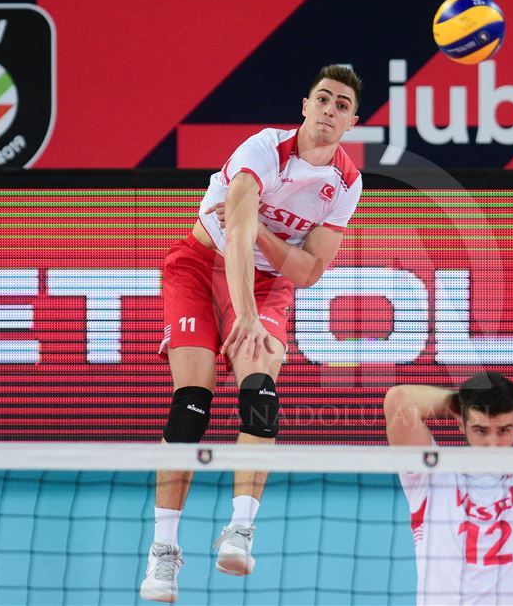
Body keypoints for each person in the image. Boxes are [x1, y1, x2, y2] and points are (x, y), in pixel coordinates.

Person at [140, 64, 363, 603]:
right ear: (305, 106)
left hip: (267, 285)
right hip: (199, 267)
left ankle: (240, 530)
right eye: (323, 99)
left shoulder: (346, 183)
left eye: (341, 106)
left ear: (351, 122)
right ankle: (163, 551)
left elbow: (307, 272)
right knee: (191, 405)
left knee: (260, 395)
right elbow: (235, 237)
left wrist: (263, 230)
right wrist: (242, 314)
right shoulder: (263, 150)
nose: (329, 111)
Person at [383, 371, 513, 606]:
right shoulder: (430, 476)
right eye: (481, 430)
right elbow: (399, 400)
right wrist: (462, 403)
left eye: (504, 430)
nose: (493, 444)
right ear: (461, 423)